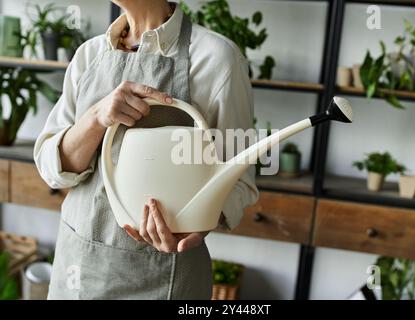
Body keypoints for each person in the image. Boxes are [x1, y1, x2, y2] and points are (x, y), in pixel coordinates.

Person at [34, 0, 258, 299]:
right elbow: (53, 169)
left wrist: (197, 224)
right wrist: (96, 118)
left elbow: (239, 178)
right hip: (78, 267)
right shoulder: (90, 55)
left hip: (163, 277)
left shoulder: (217, 59)